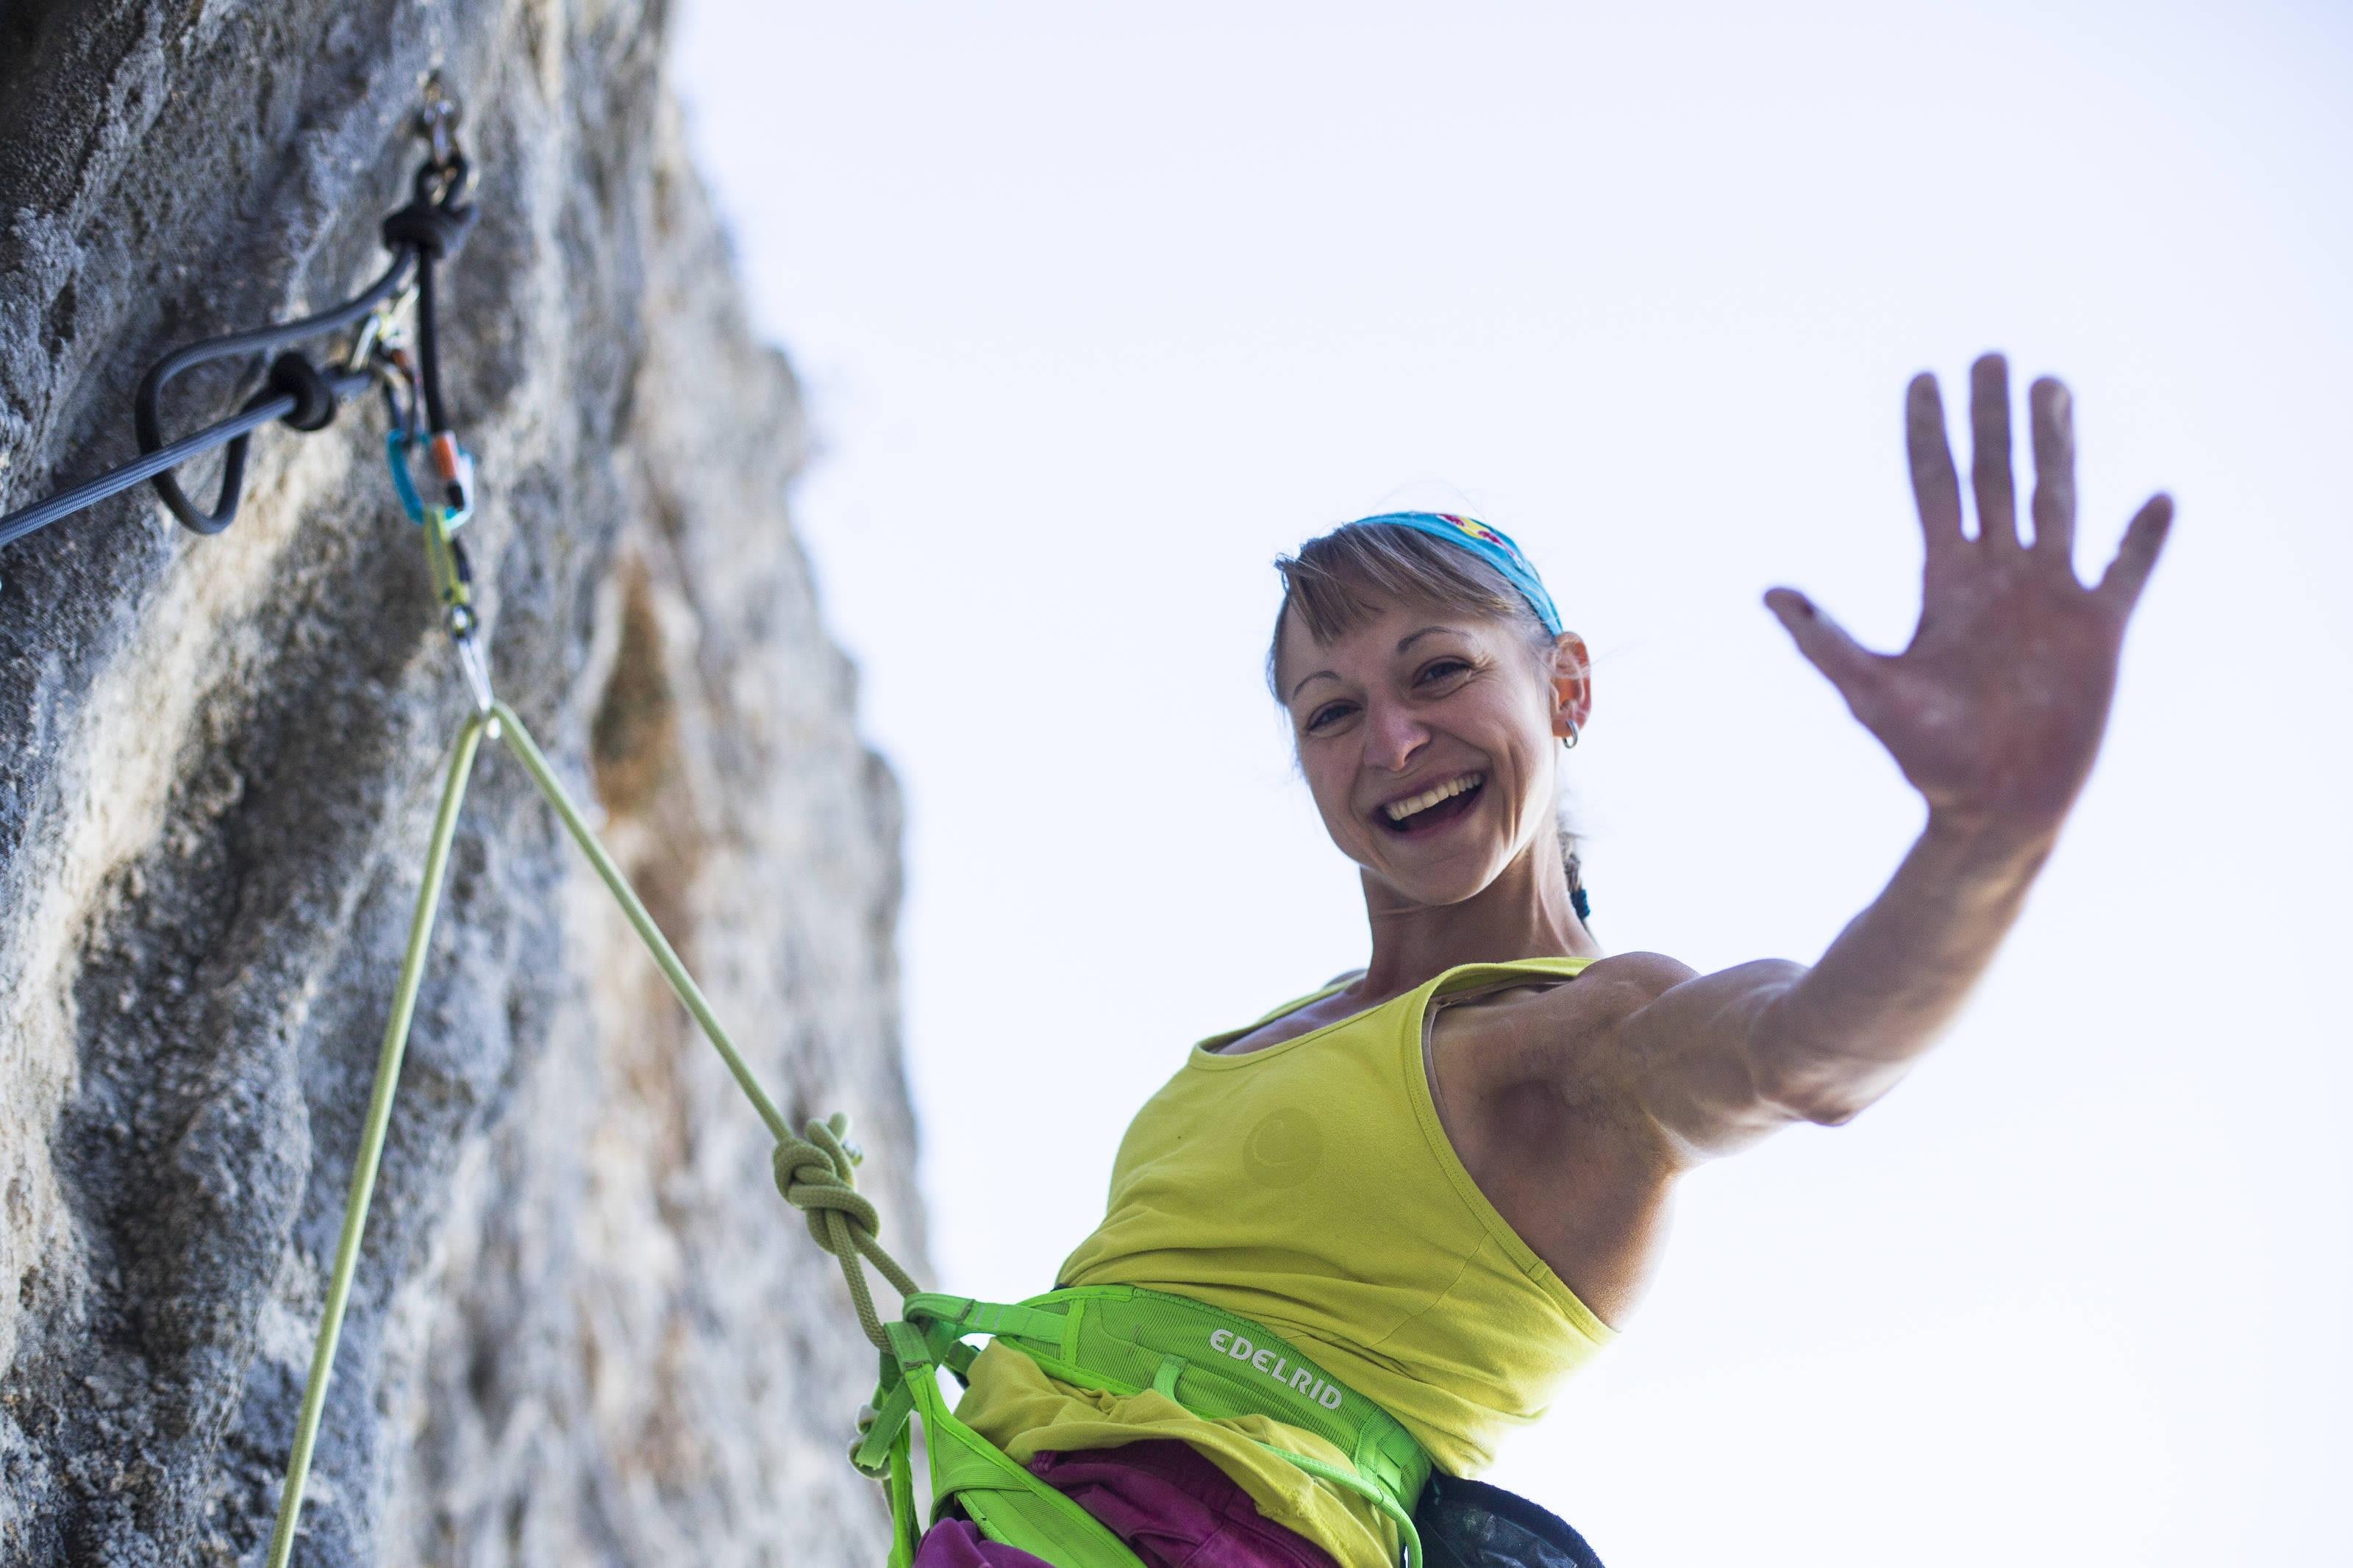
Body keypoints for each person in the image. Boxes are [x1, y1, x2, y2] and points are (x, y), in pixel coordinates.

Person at [908, 354, 2173, 1568]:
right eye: (1331, 711)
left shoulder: (1584, 1045)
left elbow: (1807, 1052)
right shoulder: (1284, 1033)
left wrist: (1986, 840)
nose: (1394, 741)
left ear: (1565, 687)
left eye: (1440, 672)